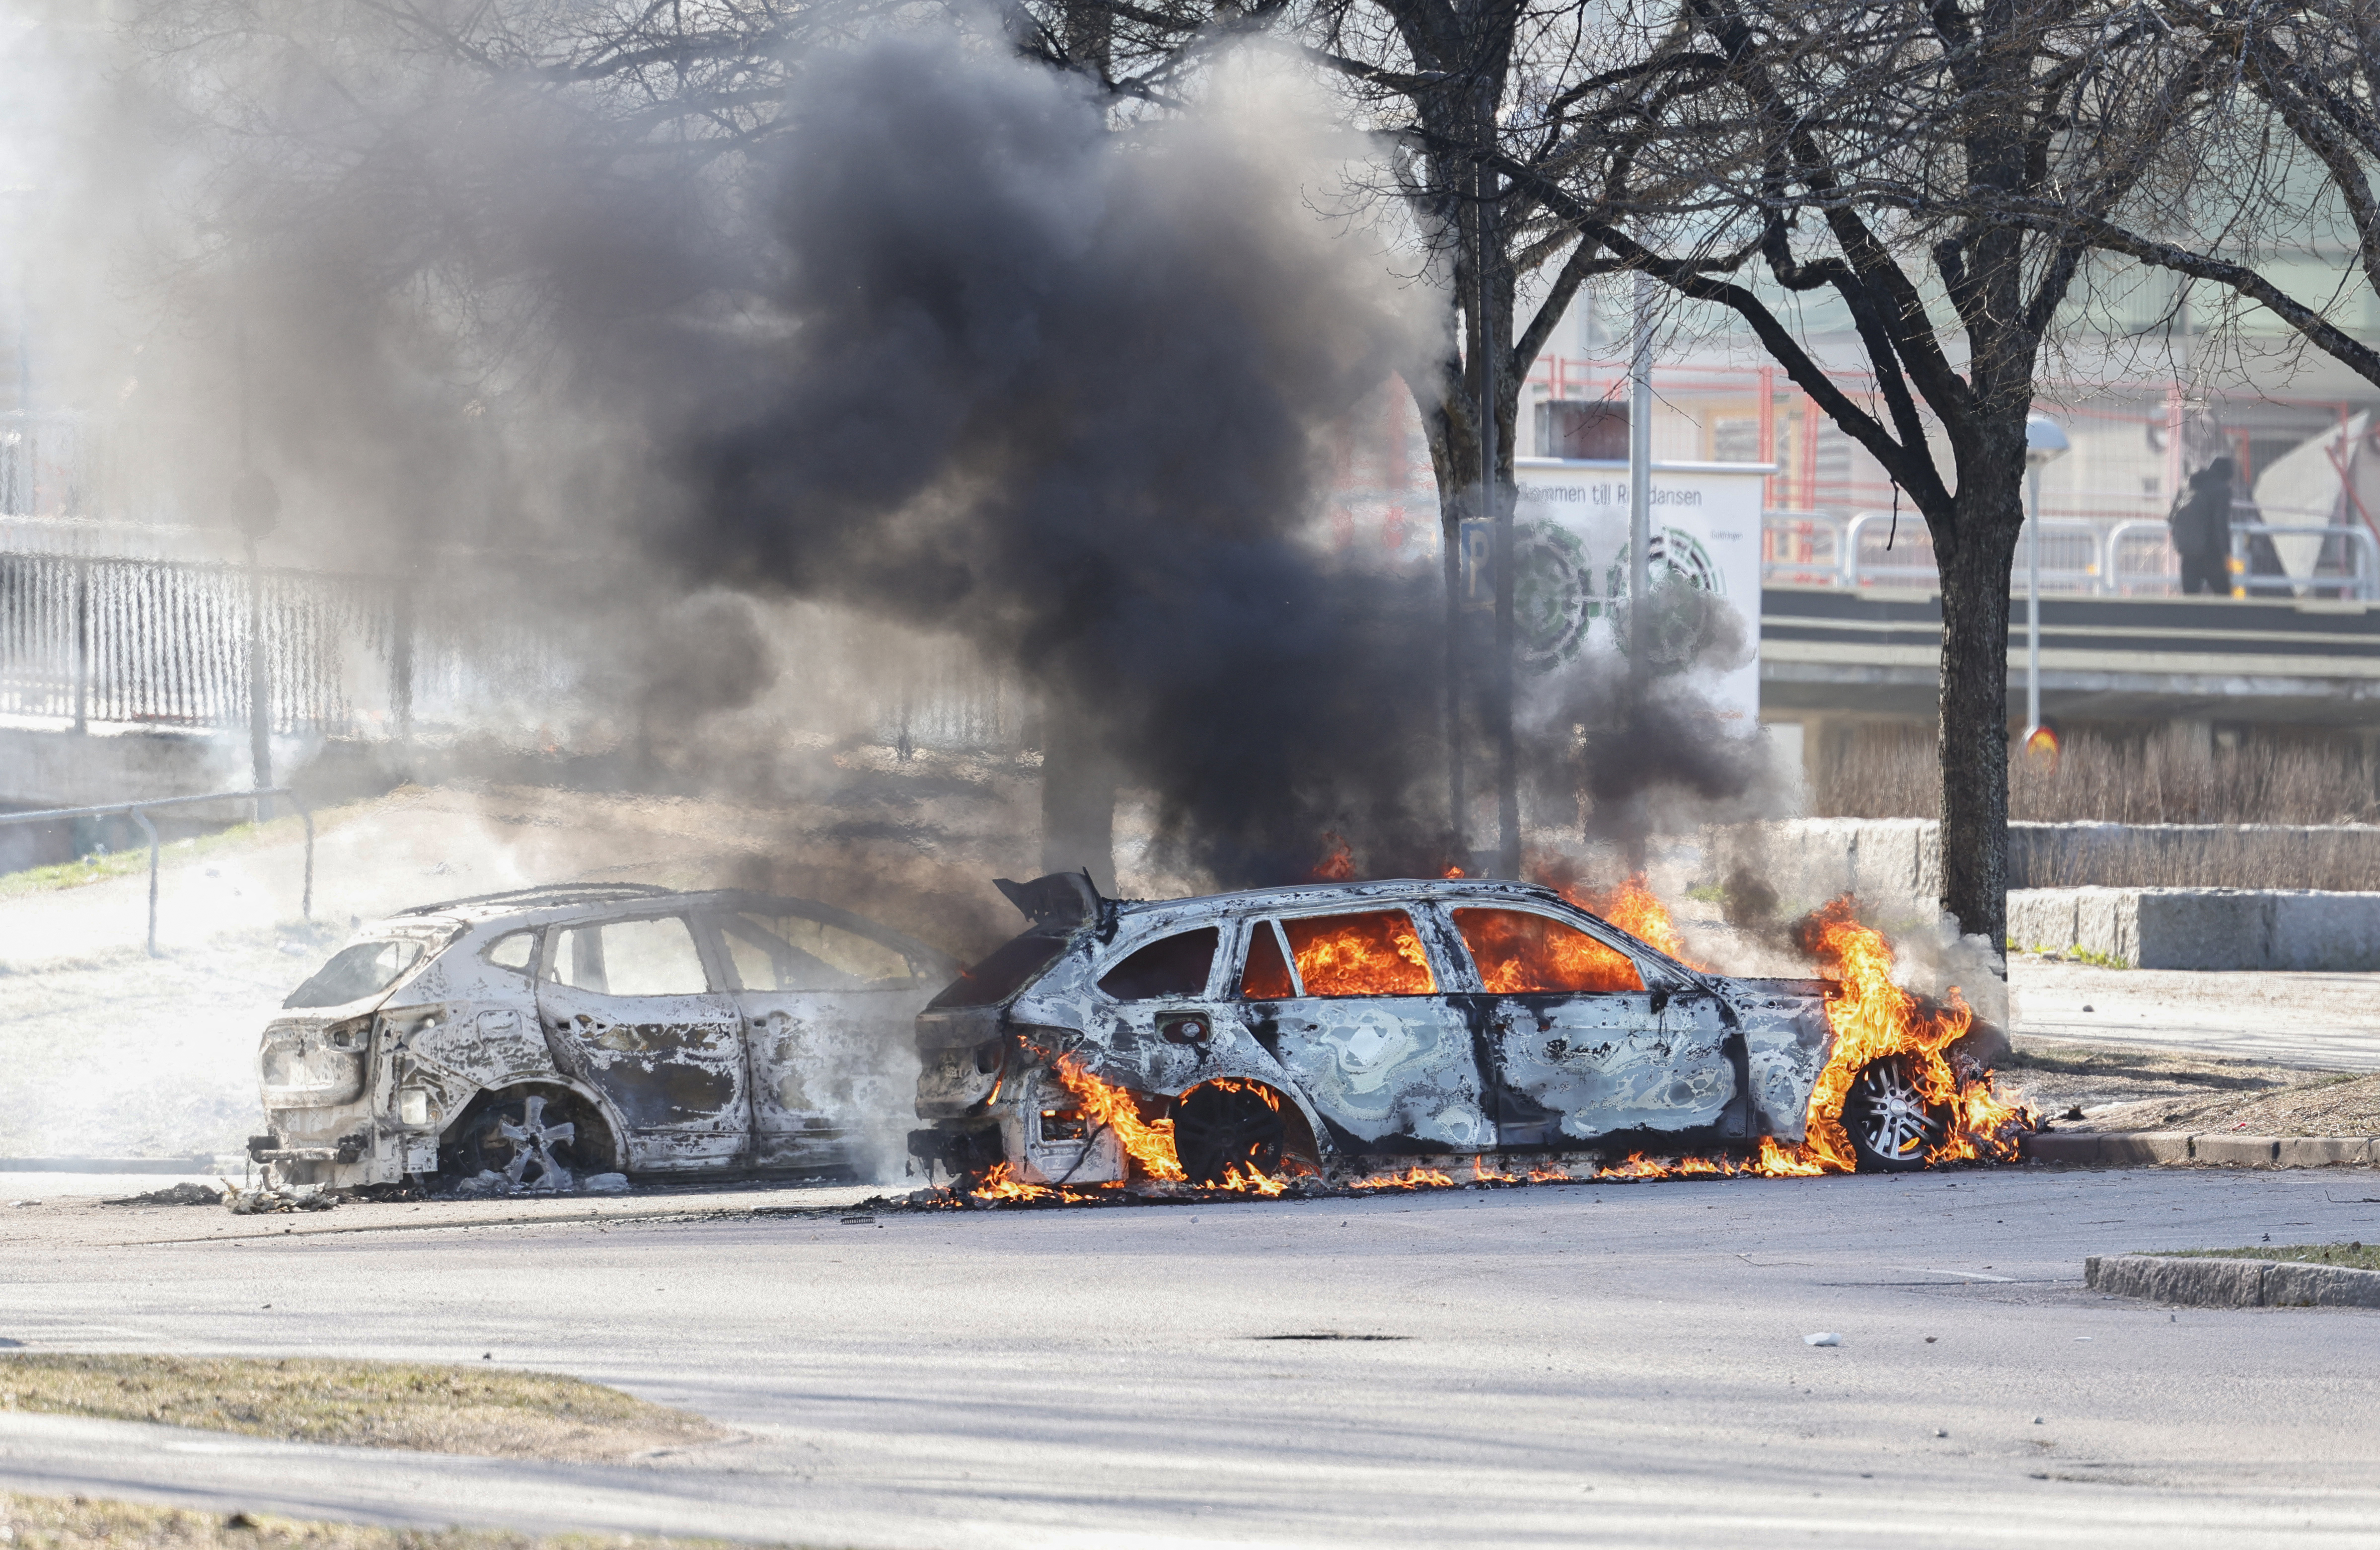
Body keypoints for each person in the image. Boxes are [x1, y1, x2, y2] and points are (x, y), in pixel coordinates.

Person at [2168, 456, 2235, 596]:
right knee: (2226, 599)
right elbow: (2221, 526)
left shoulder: (2187, 485)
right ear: (2227, 475)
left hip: (2188, 553)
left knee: (2191, 603)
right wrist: (2227, 555)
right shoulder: (2221, 490)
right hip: (2212, 555)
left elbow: (2171, 518)